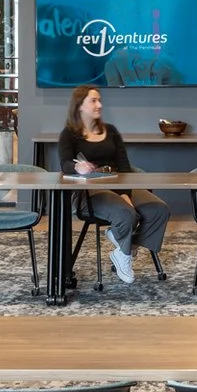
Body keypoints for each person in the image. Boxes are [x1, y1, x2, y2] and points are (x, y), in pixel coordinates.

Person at [57, 84, 168, 286]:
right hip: (90, 191)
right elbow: (64, 164)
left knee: (159, 210)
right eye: (93, 100)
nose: (99, 104)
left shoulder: (111, 131)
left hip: (119, 184)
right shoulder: (69, 134)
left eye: (99, 100)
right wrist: (78, 168)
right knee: (126, 214)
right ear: (79, 106)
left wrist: (125, 193)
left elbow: (124, 166)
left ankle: (124, 248)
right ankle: (125, 253)